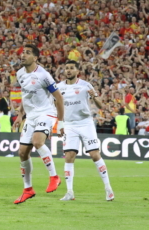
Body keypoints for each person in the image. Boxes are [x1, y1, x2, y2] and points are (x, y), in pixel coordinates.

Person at [12, 44, 64, 204]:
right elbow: (25, 96)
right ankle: (28, 189)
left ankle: (54, 176)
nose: (23, 55)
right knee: (22, 152)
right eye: (22, 52)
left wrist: (60, 122)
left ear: (35, 58)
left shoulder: (44, 75)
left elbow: (59, 98)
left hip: (46, 112)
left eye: (27, 53)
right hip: (31, 116)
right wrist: (20, 115)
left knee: (37, 141)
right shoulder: (20, 74)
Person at [58, 60, 114, 202]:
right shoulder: (58, 87)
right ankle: (69, 191)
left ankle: (108, 188)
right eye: (67, 68)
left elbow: (100, 105)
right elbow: (56, 106)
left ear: (77, 71)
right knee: (69, 156)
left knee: (94, 154)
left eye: (71, 68)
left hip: (85, 123)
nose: (68, 70)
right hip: (69, 125)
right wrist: (59, 124)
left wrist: (94, 96)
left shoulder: (85, 85)